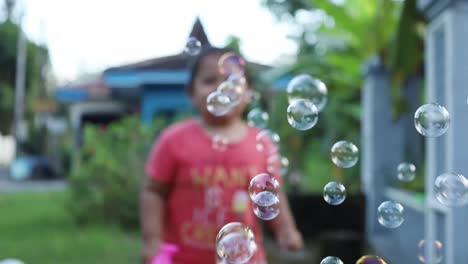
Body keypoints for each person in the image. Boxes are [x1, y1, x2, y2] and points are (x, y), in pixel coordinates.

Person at [140, 46, 304, 264]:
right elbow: (153, 191)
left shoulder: (261, 142)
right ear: (191, 92)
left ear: (247, 92)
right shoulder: (174, 140)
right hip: (184, 259)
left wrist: (286, 230)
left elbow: (272, 194)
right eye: (209, 80)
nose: (221, 88)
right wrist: (153, 240)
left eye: (231, 81)